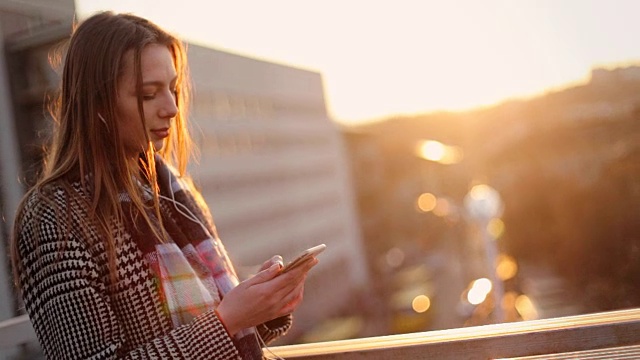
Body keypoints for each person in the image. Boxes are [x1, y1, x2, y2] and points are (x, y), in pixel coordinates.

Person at [10, 11, 317, 360]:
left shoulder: (171, 192)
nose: (172, 108)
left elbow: (204, 326)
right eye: (148, 94)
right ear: (97, 103)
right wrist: (228, 320)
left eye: (173, 89)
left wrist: (262, 305)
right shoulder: (54, 218)